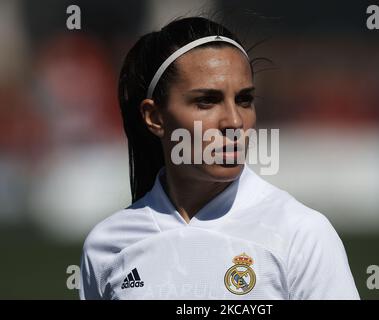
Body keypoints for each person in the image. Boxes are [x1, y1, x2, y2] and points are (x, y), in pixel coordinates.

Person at [79, 16, 359, 300]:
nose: (234, 121)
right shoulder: (107, 245)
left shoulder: (301, 233)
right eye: (207, 101)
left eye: (244, 100)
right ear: (154, 117)